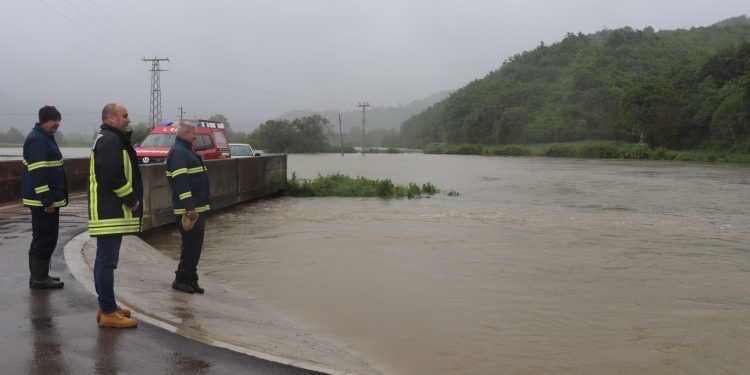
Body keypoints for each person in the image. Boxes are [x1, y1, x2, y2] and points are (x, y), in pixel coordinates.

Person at [88, 103, 142, 328]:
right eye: (124, 115)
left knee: (105, 261)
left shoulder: (108, 138)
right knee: (106, 262)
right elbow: (113, 176)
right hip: (110, 211)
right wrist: (131, 200)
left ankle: (106, 305)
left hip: (108, 210)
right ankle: (109, 312)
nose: (128, 120)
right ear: (110, 118)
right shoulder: (110, 140)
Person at [22, 105, 67, 289]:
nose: (57, 123)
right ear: (44, 121)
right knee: (44, 238)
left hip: (46, 200)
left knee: (47, 237)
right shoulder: (37, 140)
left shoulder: (44, 137)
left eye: (58, 120)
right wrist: (47, 201)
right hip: (42, 201)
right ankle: (39, 278)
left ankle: (40, 275)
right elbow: (38, 174)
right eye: (53, 120)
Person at [165, 122, 210, 294]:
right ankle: (181, 279)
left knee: (194, 246)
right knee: (190, 247)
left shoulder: (185, 151)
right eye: (193, 133)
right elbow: (180, 182)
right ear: (184, 134)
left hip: (195, 208)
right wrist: (190, 207)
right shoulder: (179, 153)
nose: (195, 136)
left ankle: (191, 278)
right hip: (189, 210)